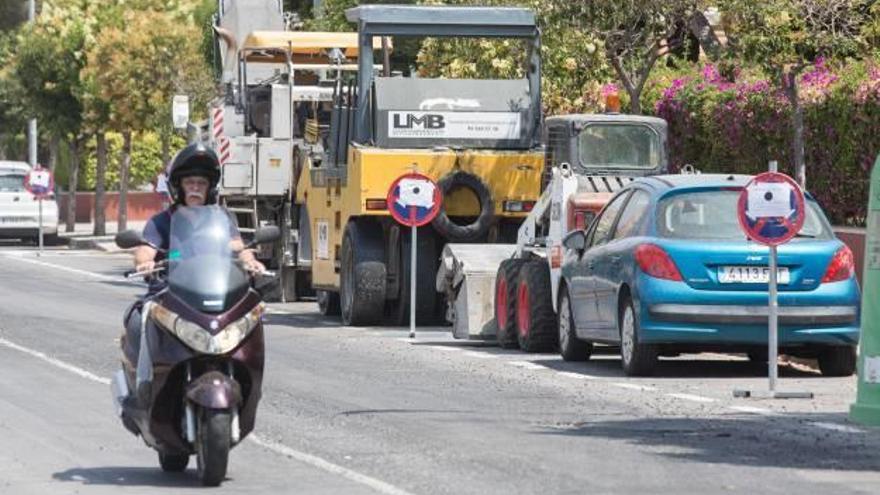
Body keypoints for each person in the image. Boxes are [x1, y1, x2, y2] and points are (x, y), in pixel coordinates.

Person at [122, 143, 264, 364]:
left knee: (250, 319)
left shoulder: (222, 219)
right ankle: (143, 382)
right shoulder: (162, 221)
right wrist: (145, 263)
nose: (195, 188)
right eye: (190, 182)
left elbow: (238, 246)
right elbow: (145, 251)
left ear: (211, 189)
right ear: (178, 187)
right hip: (169, 295)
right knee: (137, 321)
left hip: (214, 295)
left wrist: (251, 261)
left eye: (201, 183)